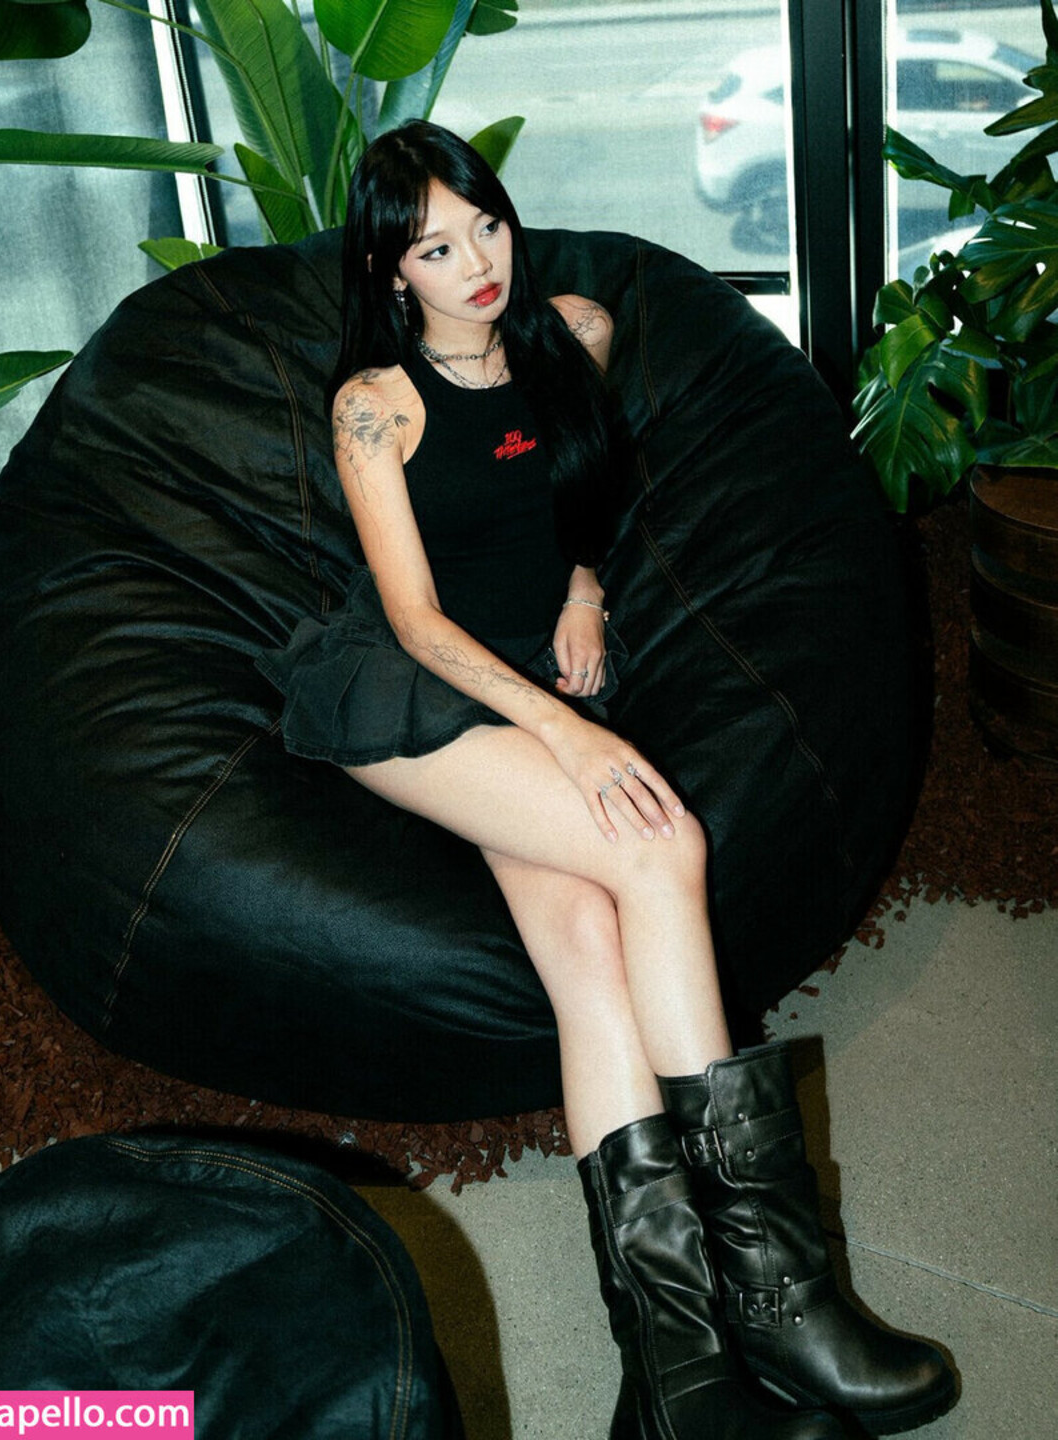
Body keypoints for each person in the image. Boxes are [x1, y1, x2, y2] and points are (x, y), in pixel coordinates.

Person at [256, 121, 955, 1440]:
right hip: (418, 694)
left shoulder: (573, 331)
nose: (476, 263)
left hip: (537, 669)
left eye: (487, 226)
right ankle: (783, 1299)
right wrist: (571, 735)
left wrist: (583, 588)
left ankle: (678, 1379)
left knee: (588, 948)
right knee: (660, 848)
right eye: (434, 248)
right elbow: (414, 620)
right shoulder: (374, 405)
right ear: (390, 269)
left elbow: (580, 496)